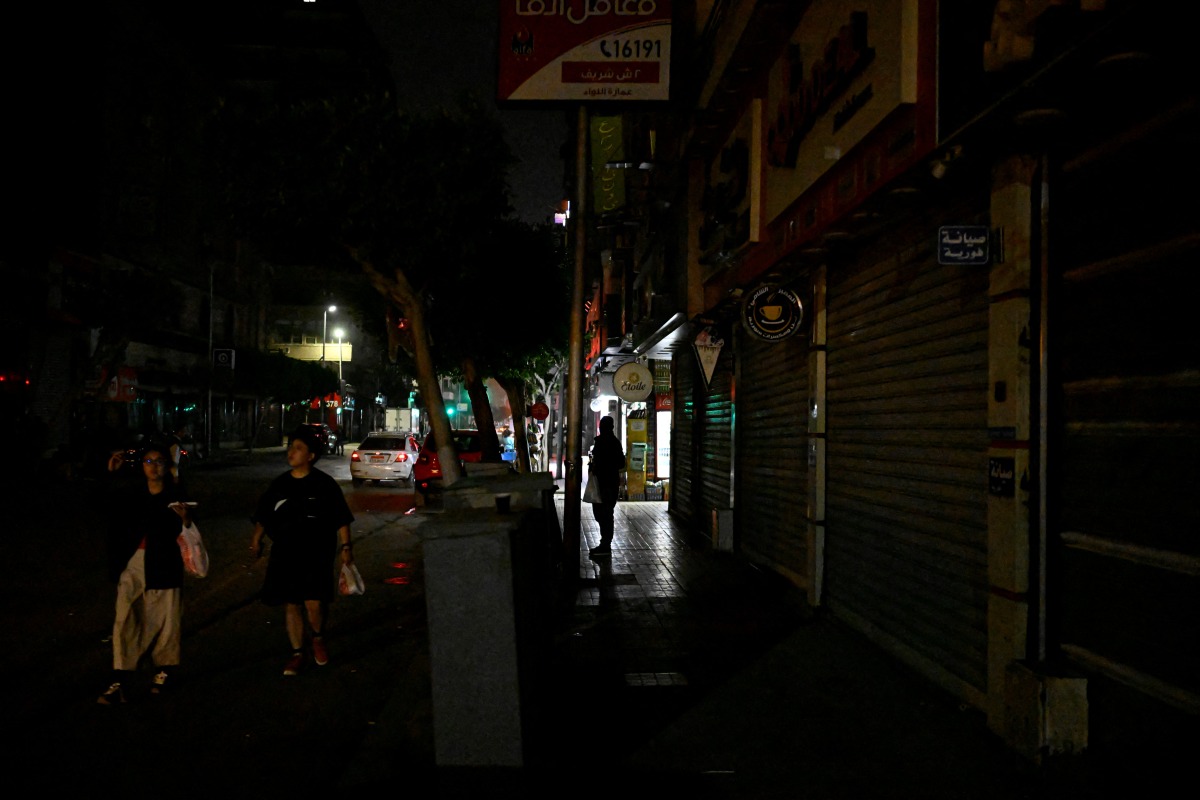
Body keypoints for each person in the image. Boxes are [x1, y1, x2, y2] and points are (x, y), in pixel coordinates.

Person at [250, 426, 355, 676]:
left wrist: (346, 547)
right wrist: (256, 539)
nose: (291, 452)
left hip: (317, 552)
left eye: (298, 448)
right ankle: (297, 653)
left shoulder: (324, 484)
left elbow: (341, 517)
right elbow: (263, 514)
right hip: (285, 553)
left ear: (310, 456)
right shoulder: (281, 484)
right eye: (290, 447)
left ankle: (317, 636)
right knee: (291, 603)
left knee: (313, 602)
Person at [97, 444, 194, 704]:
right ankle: (121, 677)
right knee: (125, 616)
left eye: (159, 461)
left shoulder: (175, 494)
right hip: (134, 561)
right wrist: (112, 475)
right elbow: (105, 507)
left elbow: (187, 525)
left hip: (165, 562)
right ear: (142, 466)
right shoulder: (132, 492)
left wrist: (185, 520)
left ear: (167, 466)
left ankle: (164, 671)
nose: (154, 466)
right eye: (148, 461)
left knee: (166, 616)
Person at [587, 415, 625, 557]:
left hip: (604, 483)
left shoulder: (604, 442)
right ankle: (605, 543)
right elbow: (621, 463)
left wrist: (601, 465)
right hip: (610, 482)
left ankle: (605, 544)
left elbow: (619, 462)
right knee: (605, 513)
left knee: (603, 514)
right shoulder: (614, 442)